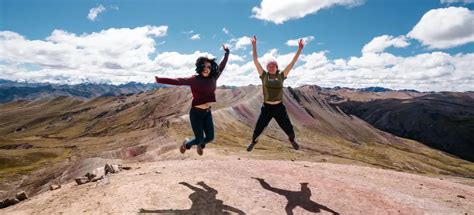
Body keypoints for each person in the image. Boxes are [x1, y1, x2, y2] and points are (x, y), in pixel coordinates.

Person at [155, 45, 229, 155]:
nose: (206, 69)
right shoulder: (194, 79)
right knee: (199, 138)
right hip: (196, 113)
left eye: (208, 67)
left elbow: (222, 66)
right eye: (203, 66)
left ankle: (197, 144)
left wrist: (227, 52)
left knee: (210, 138)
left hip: (207, 113)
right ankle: (186, 144)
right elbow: (178, 81)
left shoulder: (213, 78)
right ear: (200, 67)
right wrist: (159, 79)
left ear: (211, 68)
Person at [247, 35, 303, 152]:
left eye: (274, 65)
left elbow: (292, 64)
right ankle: (253, 141)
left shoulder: (281, 76)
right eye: (269, 66)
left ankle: (292, 140)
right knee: (258, 128)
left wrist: (299, 49)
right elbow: (255, 60)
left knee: (288, 128)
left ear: (277, 67)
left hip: (279, 107)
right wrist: (254, 45)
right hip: (266, 107)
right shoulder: (264, 76)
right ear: (267, 68)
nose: (271, 67)